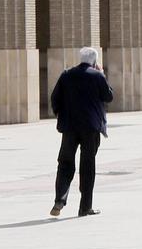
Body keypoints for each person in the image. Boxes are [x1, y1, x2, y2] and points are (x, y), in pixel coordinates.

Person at [48, 47, 112, 218]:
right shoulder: (97, 75)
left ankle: (59, 200)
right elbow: (108, 96)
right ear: (94, 61)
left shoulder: (66, 74)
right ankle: (85, 207)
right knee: (88, 165)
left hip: (69, 127)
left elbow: (55, 98)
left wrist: (61, 114)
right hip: (90, 128)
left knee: (65, 163)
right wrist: (102, 75)